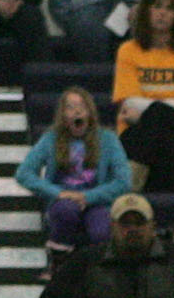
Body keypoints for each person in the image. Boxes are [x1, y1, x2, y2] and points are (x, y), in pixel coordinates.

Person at [18, 86, 132, 256]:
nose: (77, 112)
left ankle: (97, 271)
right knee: (66, 211)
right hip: (64, 201)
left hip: (97, 201)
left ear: (90, 113)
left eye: (82, 107)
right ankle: (59, 261)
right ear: (63, 115)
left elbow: (123, 181)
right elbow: (24, 174)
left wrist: (88, 197)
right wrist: (58, 193)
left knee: (101, 230)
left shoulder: (108, 139)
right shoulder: (51, 138)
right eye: (70, 107)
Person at [110, 0, 174, 187]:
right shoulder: (128, 50)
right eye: (157, 6)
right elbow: (128, 104)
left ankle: (133, 185)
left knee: (158, 122)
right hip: (137, 134)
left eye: (170, 8)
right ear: (146, 11)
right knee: (160, 133)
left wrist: (146, 110)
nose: (162, 12)